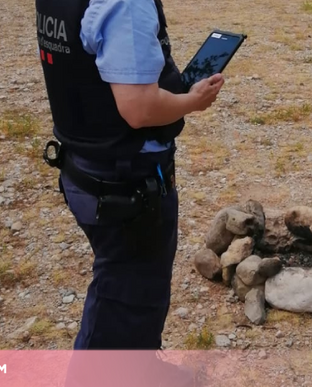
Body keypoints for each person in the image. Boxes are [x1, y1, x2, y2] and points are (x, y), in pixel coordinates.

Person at [35, 0, 223, 354]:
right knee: (127, 304)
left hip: (85, 165)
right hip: (126, 184)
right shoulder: (126, 3)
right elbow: (139, 108)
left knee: (125, 292)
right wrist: (192, 100)